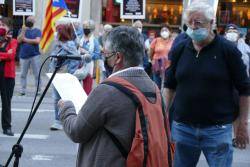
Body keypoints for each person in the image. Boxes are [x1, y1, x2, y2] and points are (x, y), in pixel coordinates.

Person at [58, 26, 171, 167]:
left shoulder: (107, 90)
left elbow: (76, 131)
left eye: (106, 54)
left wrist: (66, 107)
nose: (104, 57)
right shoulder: (154, 88)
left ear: (117, 57)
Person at [164, 2, 250, 167]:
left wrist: (243, 125)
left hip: (217, 130)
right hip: (182, 129)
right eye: (190, 23)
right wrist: (163, 117)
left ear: (211, 23)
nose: (193, 27)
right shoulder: (180, 49)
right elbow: (169, 86)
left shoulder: (228, 51)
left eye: (199, 23)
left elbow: (245, 89)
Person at [49, 23, 81, 130]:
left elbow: (76, 60)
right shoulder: (57, 44)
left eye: (58, 31)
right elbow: (52, 58)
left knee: (66, 98)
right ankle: (57, 120)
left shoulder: (70, 44)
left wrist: (69, 73)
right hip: (55, 74)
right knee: (56, 98)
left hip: (65, 75)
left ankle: (68, 119)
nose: (56, 33)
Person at [0, 17, 18, 136]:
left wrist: (3, 55)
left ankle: (7, 127)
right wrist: (6, 54)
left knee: (6, 102)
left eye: (3, 25)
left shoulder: (13, 41)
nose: (1, 26)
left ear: (8, 27)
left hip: (7, 76)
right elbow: (7, 55)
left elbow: (11, 56)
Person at [17, 16, 42, 96]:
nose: (30, 21)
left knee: (37, 74)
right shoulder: (22, 30)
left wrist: (25, 40)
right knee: (23, 74)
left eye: (31, 20)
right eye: (29, 20)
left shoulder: (37, 31)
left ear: (34, 21)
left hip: (35, 55)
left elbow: (37, 41)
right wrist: (23, 31)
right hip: (23, 56)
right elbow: (19, 40)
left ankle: (38, 90)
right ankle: (22, 90)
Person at [149, 24, 173, 89]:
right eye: (162, 30)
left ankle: (164, 99)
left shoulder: (173, 42)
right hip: (157, 67)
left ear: (169, 32)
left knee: (167, 87)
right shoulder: (156, 40)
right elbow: (150, 53)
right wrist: (153, 61)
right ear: (160, 32)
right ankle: (158, 98)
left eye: (166, 30)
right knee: (157, 87)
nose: (164, 32)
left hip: (168, 68)